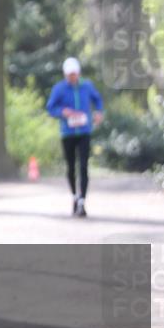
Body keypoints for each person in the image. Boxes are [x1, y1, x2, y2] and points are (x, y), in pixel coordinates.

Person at [46, 57, 104, 217]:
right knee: (71, 167)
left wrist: (99, 112)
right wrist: (62, 112)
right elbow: (50, 107)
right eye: (69, 75)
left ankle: (82, 201)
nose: (72, 77)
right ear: (65, 75)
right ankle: (74, 195)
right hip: (68, 133)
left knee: (84, 166)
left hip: (84, 132)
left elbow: (98, 99)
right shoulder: (59, 89)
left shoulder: (87, 86)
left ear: (78, 73)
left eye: (74, 74)